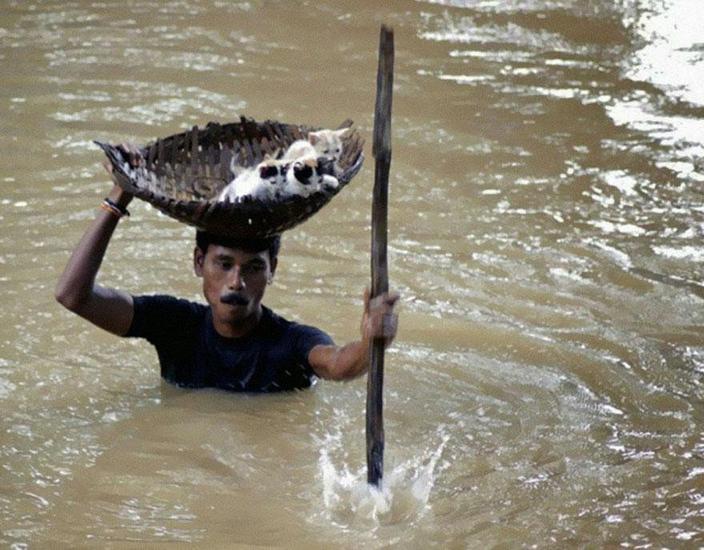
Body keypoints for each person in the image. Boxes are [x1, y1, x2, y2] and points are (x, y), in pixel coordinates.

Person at [55, 145, 399, 392]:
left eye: (252, 268)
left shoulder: (292, 342)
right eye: (224, 264)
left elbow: (338, 365)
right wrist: (118, 197)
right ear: (198, 262)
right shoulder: (174, 325)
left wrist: (372, 343)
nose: (237, 282)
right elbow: (72, 295)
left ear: (272, 269)